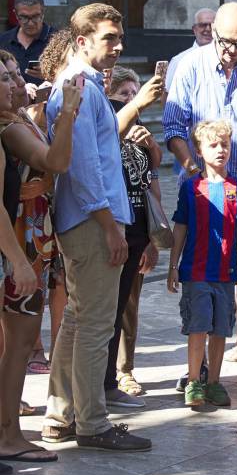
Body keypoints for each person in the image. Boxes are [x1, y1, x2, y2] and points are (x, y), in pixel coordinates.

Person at [41, 3, 150, 452]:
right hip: (90, 221)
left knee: (78, 319)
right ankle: (91, 423)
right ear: (83, 40)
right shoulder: (77, 87)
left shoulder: (81, 85)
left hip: (85, 219)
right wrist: (110, 227)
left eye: (119, 37)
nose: (119, 45)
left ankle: (61, 414)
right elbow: (84, 169)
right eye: (109, 37)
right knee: (94, 325)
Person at [163, 2, 237, 378]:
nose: (231, 50)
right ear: (213, 31)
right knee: (202, 278)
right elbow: (173, 128)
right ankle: (196, 365)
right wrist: (195, 170)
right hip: (201, 195)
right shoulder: (190, 66)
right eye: (225, 41)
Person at [0, 54, 71, 464]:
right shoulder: (8, 126)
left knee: (17, 344)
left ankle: (8, 428)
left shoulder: (19, 118)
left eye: (14, 75)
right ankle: (9, 434)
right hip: (22, 242)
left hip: (32, 239)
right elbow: (54, 161)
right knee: (21, 343)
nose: (14, 84)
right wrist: (68, 116)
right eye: (4, 78)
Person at [167, 120, 237, 407]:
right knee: (198, 327)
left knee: (221, 329)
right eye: (213, 145)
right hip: (196, 272)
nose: (221, 150)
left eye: (225, 144)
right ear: (199, 151)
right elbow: (181, 227)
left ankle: (214, 383)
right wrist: (173, 265)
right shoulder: (190, 188)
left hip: (225, 272)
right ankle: (194, 381)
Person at [99, 66, 163, 410]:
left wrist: (153, 240)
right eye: (124, 95)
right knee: (104, 313)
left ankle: (120, 374)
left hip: (138, 232)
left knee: (127, 307)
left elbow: (150, 182)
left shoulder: (139, 136)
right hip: (112, 232)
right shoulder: (106, 133)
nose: (133, 100)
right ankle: (103, 381)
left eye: (135, 93)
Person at [0, 0, 55, 86]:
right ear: (16, 15)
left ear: (43, 12)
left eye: (35, 16)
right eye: (24, 17)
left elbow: (72, 78)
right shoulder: (3, 41)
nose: (30, 23)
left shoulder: (58, 40)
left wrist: (50, 77)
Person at [164, 8, 215, 91]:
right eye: (203, 25)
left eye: (212, 25)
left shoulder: (228, 59)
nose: (208, 29)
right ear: (194, 29)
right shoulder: (179, 61)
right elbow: (167, 95)